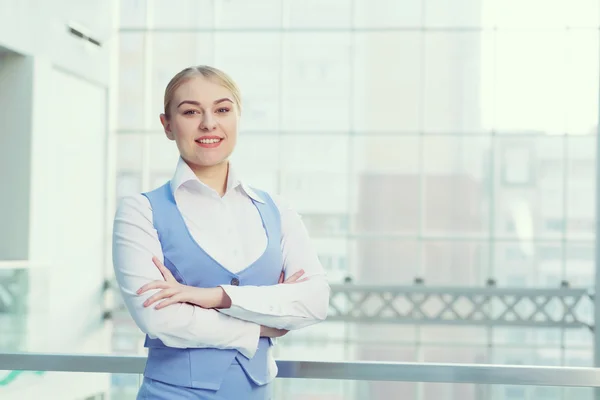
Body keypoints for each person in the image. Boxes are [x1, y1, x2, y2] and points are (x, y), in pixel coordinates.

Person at [112, 65, 331, 399]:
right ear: (167, 125)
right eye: (190, 112)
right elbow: (159, 319)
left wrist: (215, 297)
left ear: (237, 118)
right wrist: (261, 325)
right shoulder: (139, 211)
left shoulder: (277, 210)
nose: (209, 123)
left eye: (222, 109)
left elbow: (315, 301)